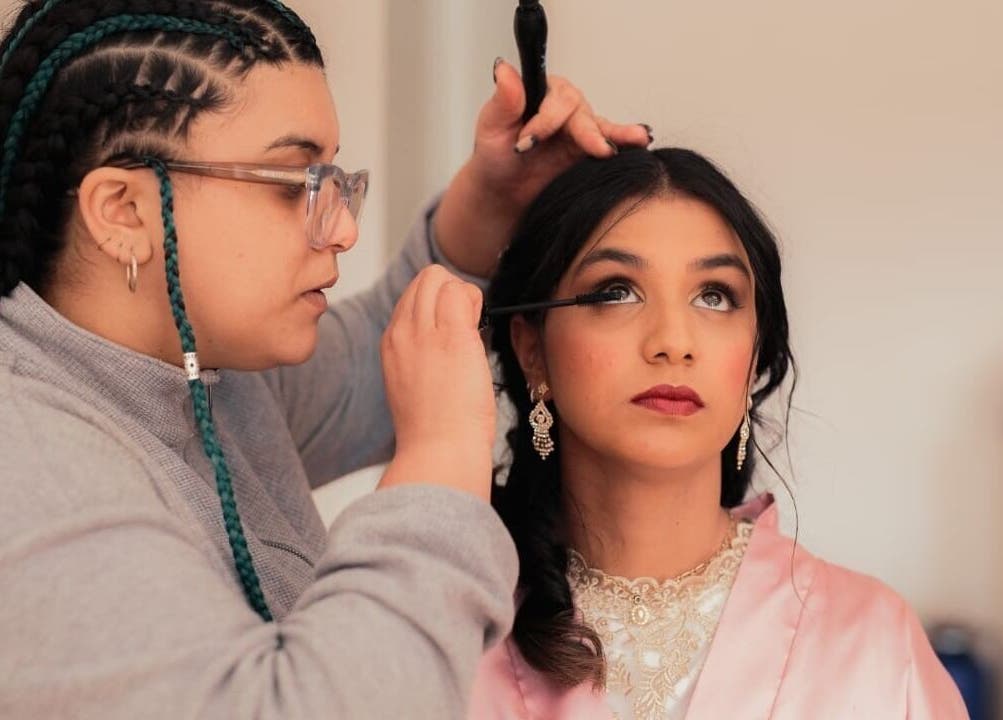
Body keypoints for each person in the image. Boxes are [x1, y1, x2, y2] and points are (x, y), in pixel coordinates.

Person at [0, 1, 652, 717]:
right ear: (123, 209)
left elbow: (378, 354)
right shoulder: (27, 463)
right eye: (292, 185)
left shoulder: (209, 383)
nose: (341, 229)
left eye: (334, 181)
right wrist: (437, 468)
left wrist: (494, 205)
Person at [469, 147, 968, 719]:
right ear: (532, 349)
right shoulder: (452, 630)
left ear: (755, 355)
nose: (673, 341)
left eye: (715, 296)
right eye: (616, 291)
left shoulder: (875, 641)